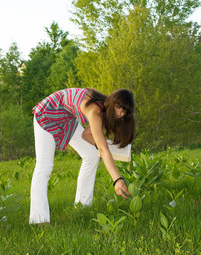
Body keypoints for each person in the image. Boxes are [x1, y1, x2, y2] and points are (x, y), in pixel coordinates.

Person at [29, 87, 136, 224]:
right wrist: (117, 180)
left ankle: (81, 207)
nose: (119, 114)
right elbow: (102, 150)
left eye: (124, 111)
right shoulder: (94, 110)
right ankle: (39, 220)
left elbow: (86, 135)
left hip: (66, 117)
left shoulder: (104, 109)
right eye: (118, 107)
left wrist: (106, 146)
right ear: (112, 101)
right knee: (44, 166)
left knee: (91, 154)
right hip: (48, 113)